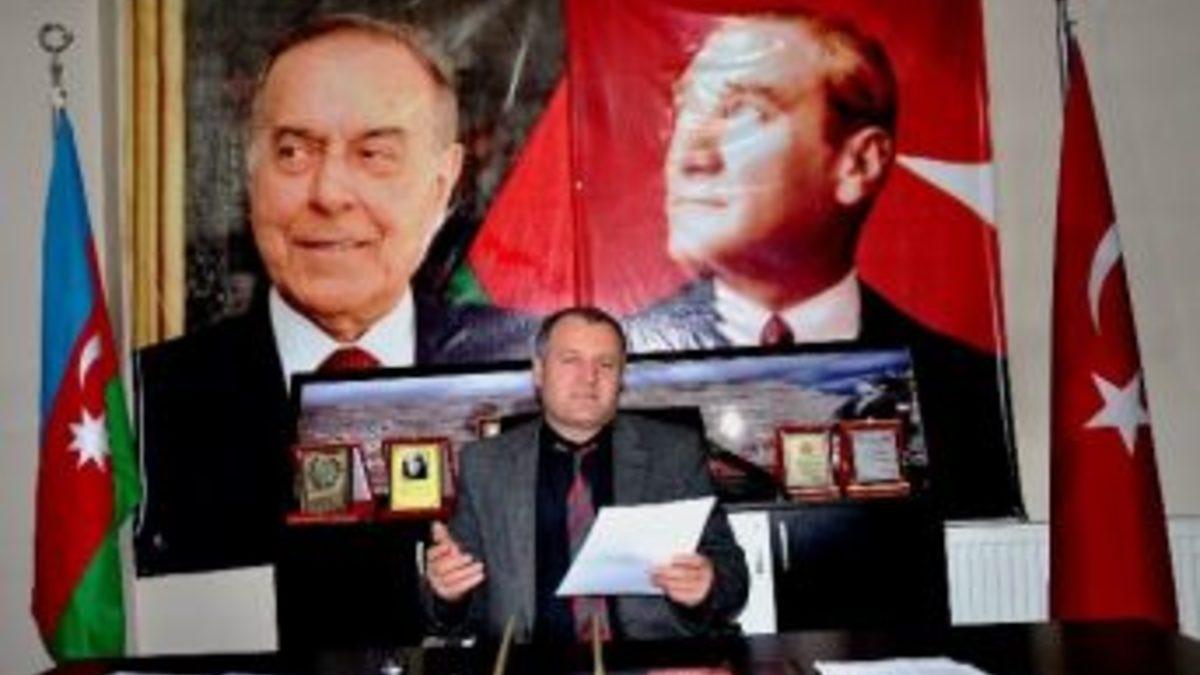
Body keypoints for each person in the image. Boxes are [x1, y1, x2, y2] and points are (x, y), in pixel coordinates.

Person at [627, 12, 1021, 518]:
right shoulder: (623, 384)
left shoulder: (970, 395)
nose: (689, 156)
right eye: (686, 110)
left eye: (742, 109)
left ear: (859, 163)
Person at [134, 14, 465, 574]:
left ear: (442, 181)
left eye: (373, 154)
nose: (329, 194)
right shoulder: (147, 403)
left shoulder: (531, 381)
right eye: (293, 152)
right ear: (251, 173)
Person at [424, 307, 748, 643]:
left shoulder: (674, 454)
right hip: (529, 658)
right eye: (571, 360)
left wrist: (707, 586)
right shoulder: (486, 465)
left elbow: (733, 578)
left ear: (621, 378)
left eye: (605, 364)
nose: (589, 377)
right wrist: (449, 593)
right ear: (539, 372)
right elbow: (459, 611)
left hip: (647, 657)